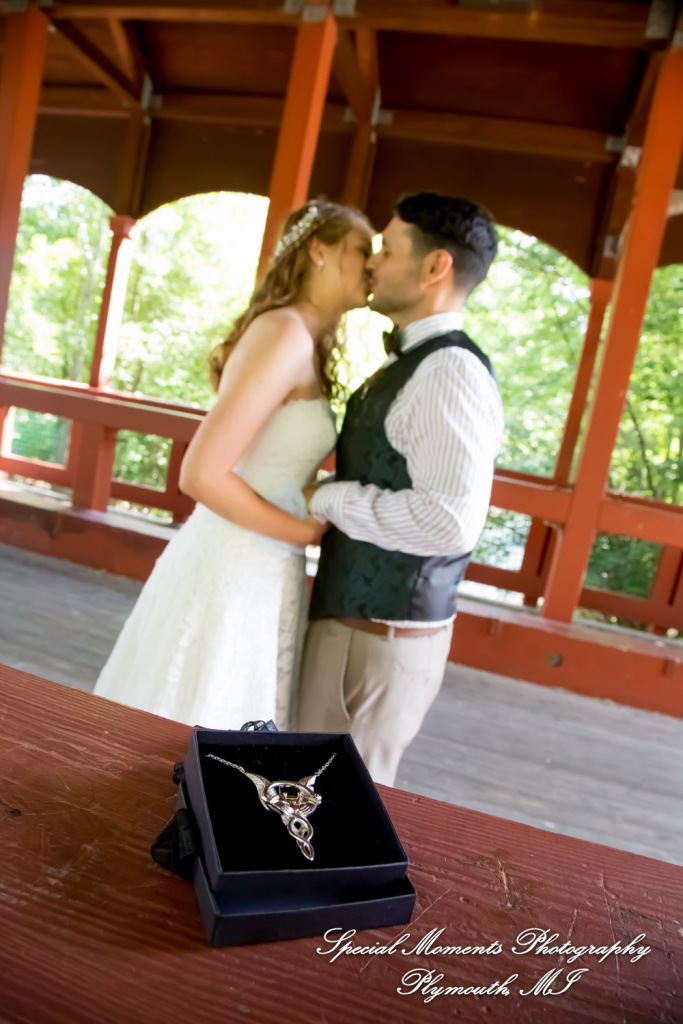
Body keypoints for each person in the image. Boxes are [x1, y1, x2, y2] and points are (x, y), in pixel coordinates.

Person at [94, 198, 374, 730]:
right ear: (319, 251)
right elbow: (201, 474)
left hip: (265, 569)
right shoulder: (283, 333)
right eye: (362, 248)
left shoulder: (303, 340)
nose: (374, 262)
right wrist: (303, 530)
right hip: (233, 564)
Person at [297, 192, 504, 786]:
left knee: (327, 808)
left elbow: (447, 521)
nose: (372, 262)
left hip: (374, 642)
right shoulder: (421, 362)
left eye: (386, 250)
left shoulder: (448, 371)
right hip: (363, 632)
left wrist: (325, 498)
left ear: (435, 267)